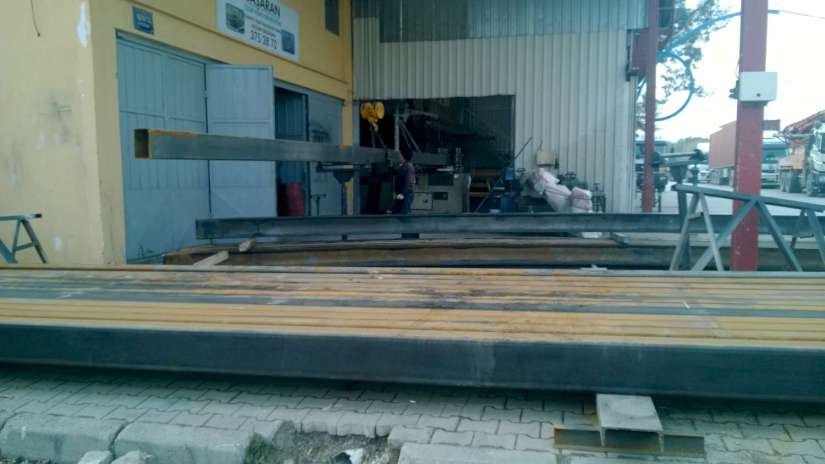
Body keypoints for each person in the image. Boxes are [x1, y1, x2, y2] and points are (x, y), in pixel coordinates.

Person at [392, 149, 416, 214]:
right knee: (397, 210)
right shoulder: (405, 166)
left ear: (403, 156)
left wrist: (402, 194)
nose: (398, 156)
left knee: (403, 213)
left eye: (399, 155)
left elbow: (409, 183)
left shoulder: (408, 166)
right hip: (403, 193)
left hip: (406, 194)